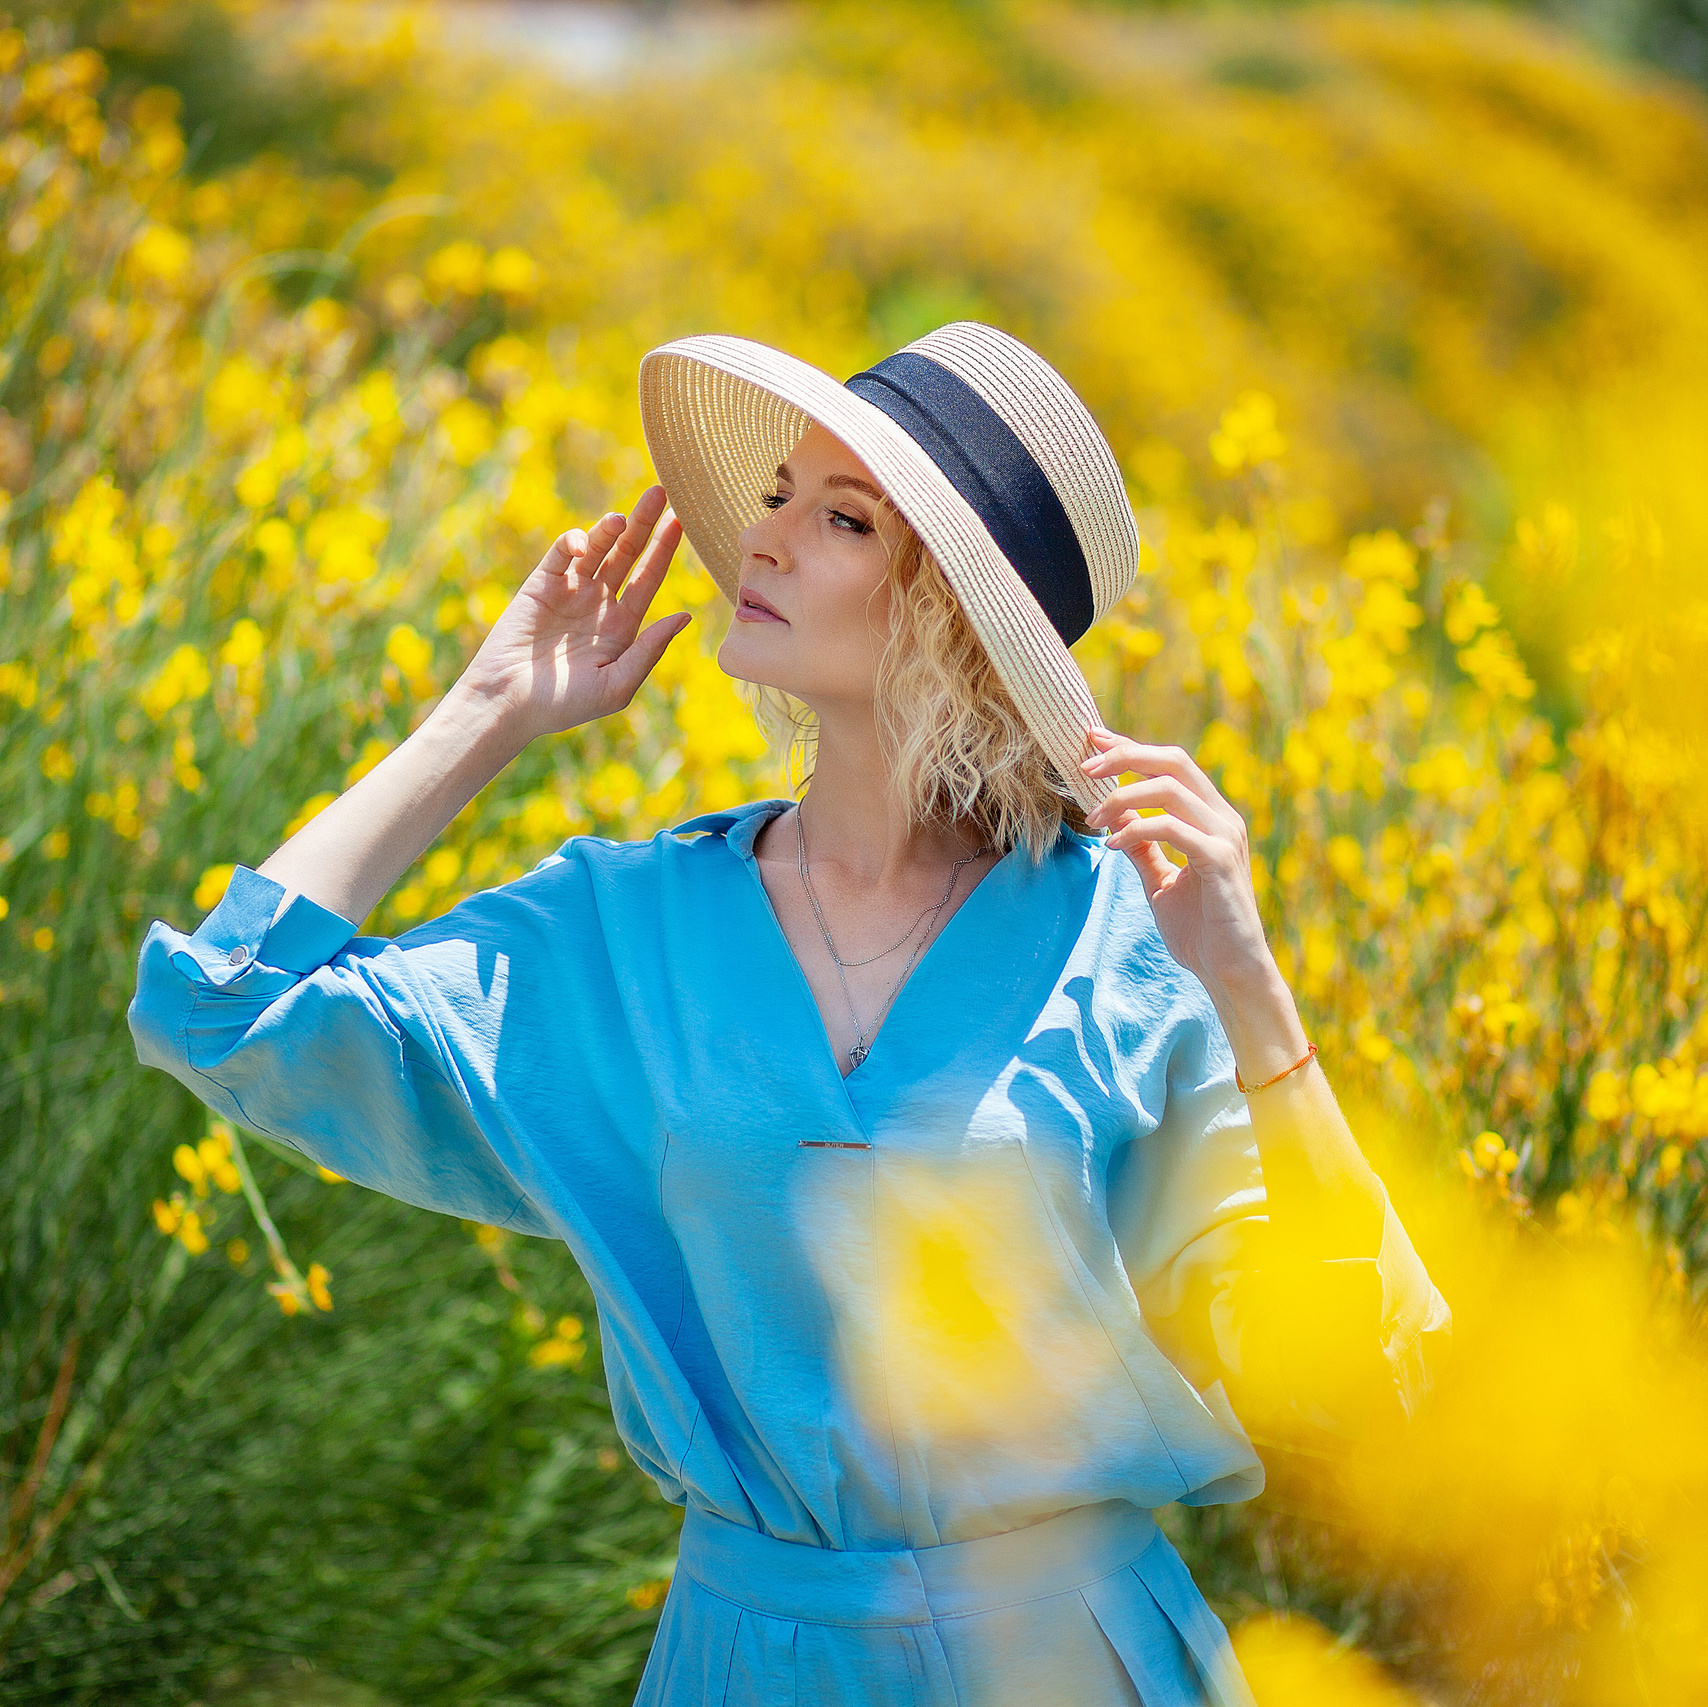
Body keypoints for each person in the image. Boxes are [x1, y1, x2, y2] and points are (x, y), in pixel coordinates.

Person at [131, 322, 1450, 1706]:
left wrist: (1251, 985)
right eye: (776, 500)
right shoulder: (626, 930)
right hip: (744, 1658)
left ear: (948, 609)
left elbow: (1351, 1374)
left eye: (839, 519)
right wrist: (491, 711)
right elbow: (222, 1010)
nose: (760, 542)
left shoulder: (1129, 945)